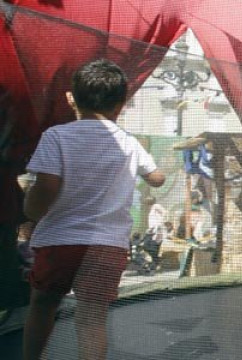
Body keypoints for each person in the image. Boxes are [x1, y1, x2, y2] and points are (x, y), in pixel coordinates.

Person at [22, 59, 166, 360]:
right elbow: (157, 177)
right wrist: (144, 169)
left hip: (60, 239)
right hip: (108, 244)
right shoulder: (129, 142)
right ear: (121, 104)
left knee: (43, 304)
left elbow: (47, 186)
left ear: (71, 98)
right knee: (92, 316)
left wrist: (31, 209)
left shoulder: (57, 137)